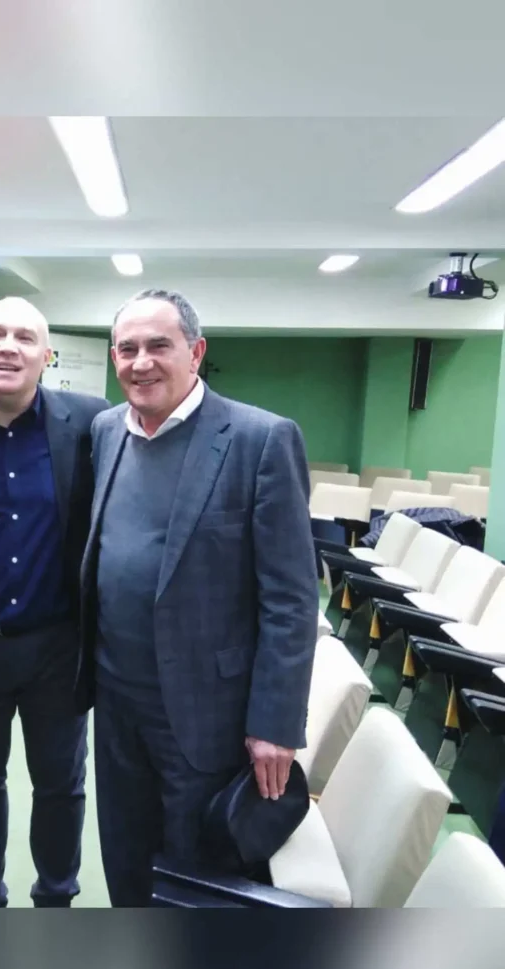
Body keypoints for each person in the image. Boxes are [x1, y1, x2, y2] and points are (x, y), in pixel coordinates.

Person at [77, 288, 316, 907]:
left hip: (211, 713)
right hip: (116, 701)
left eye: (160, 345)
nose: (141, 362)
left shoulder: (260, 439)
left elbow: (291, 599)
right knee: (123, 851)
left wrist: (275, 723)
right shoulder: (107, 432)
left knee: (193, 870)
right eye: (127, 349)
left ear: (196, 352)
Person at [0, 297, 108, 908]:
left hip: (57, 647)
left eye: (24, 337)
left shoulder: (92, 424)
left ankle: (56, 897)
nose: (8, 346)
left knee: (61, 786)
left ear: (47, 355)